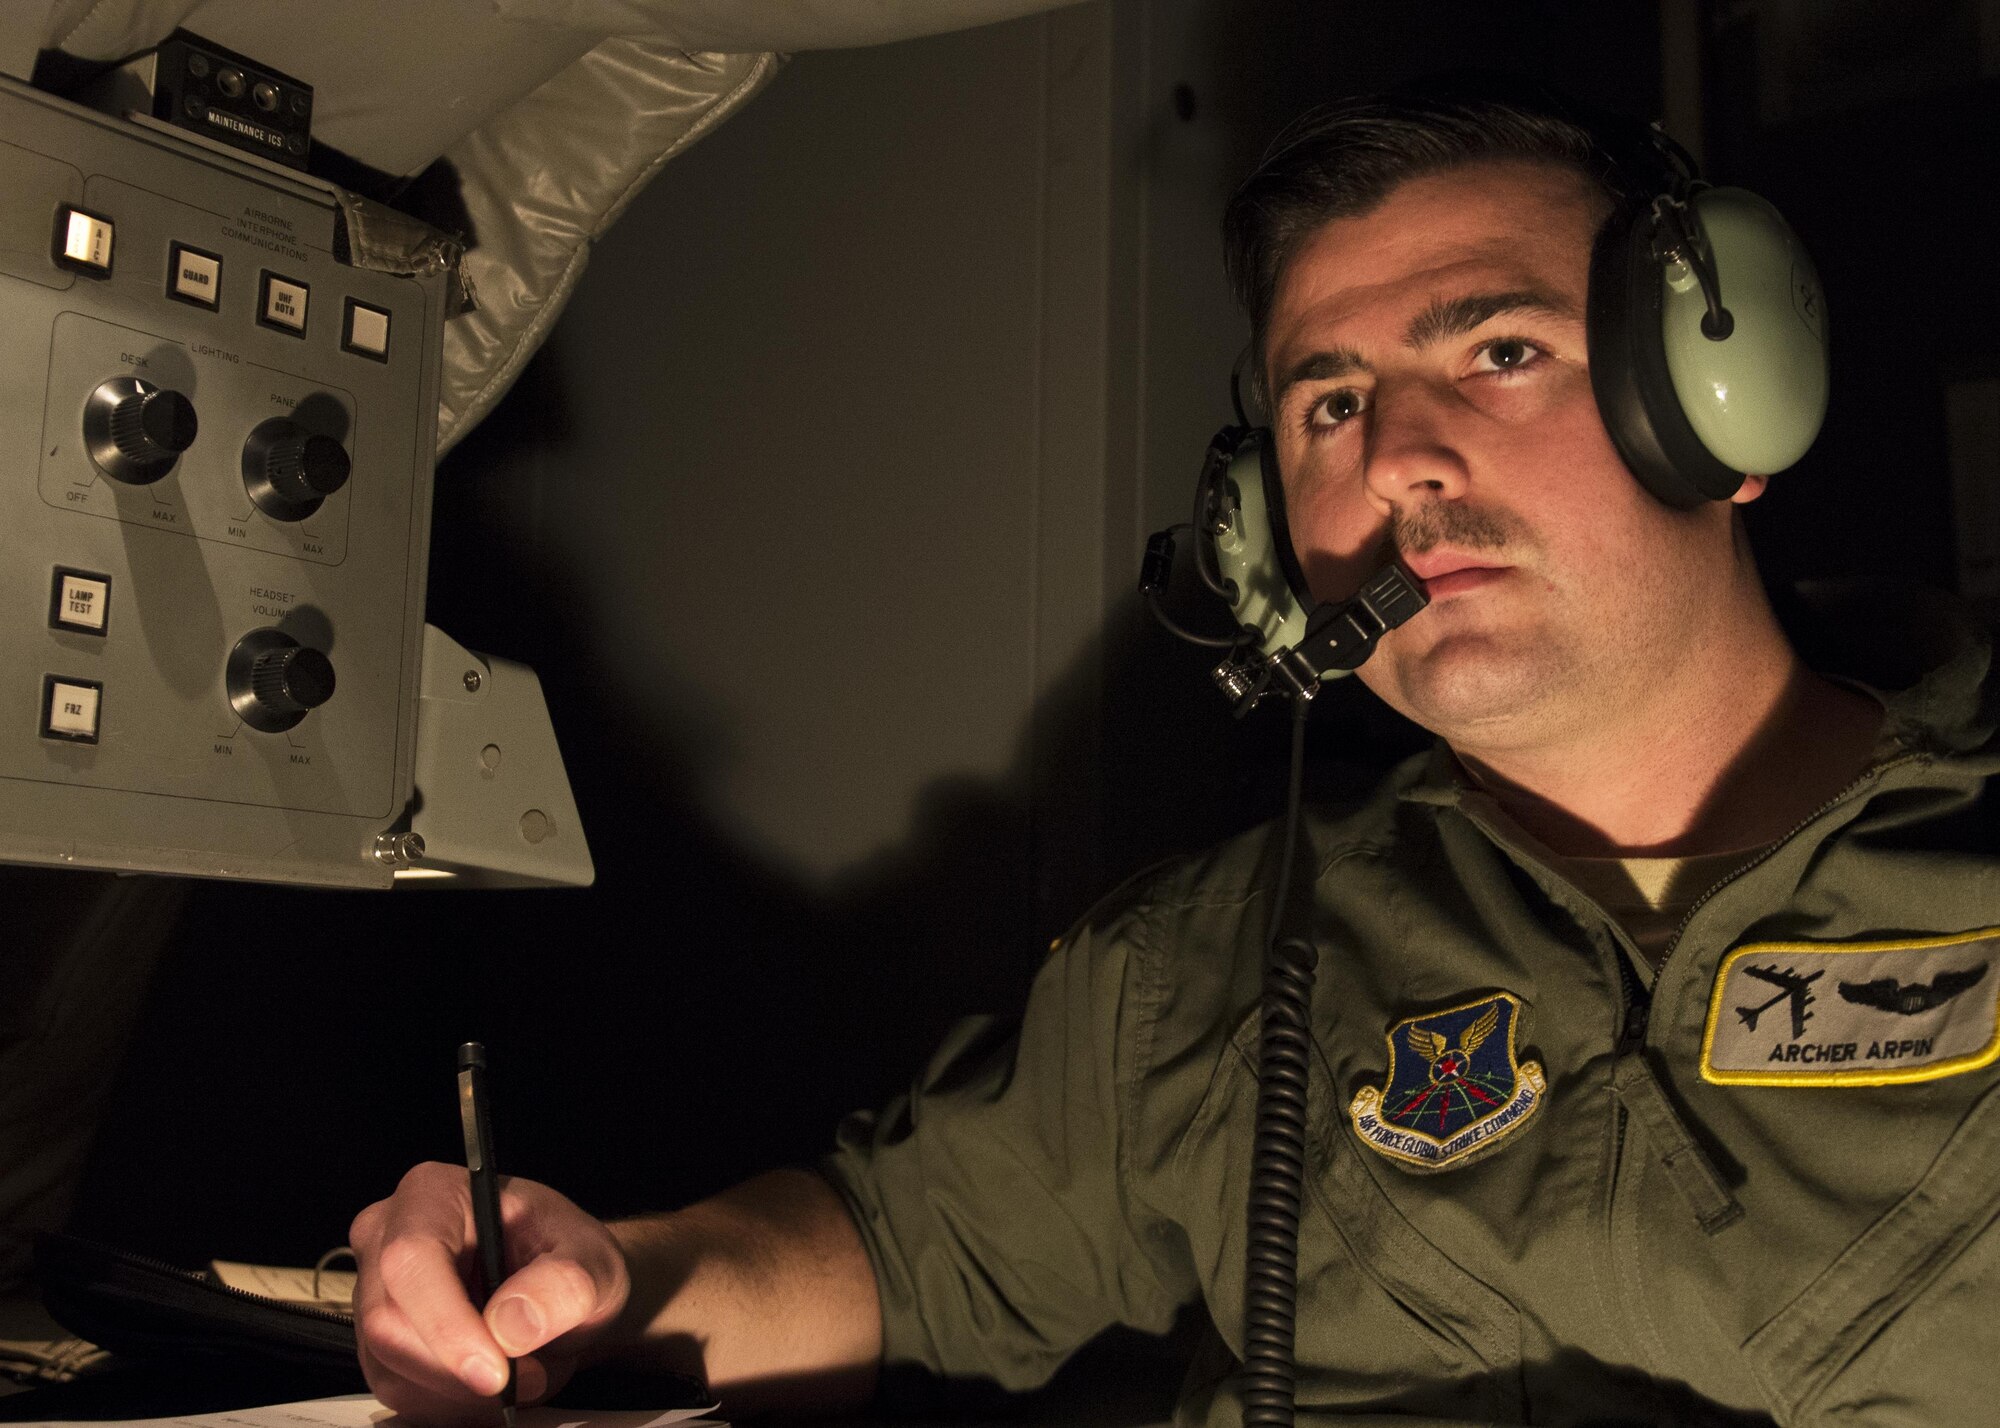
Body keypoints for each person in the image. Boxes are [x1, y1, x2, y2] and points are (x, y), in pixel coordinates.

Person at [348, 82, 2000, 1426]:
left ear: (1726, 403)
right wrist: (602, 1279)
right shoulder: (1222, 958)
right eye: (1329, 404)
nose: (1404, 457)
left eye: (1499, 351)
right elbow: (903, 1251)